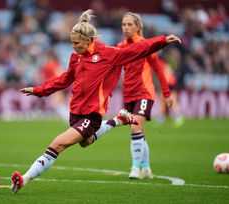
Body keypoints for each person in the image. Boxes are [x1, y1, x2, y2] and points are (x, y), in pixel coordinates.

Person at [10, 9, 181, 194]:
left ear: (88, 40)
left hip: (91, 115)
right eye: (72, 43)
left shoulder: (108, 54)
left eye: (77, 43)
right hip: (75, 112)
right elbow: (65, 80)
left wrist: (162, 40)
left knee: (57, 144)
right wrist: (39, 90)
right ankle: (117, 120)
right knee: (86, 142)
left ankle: (24, 179)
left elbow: (138, 50)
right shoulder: (75, 57)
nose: (74, 47)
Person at [81, 12, 178, 179]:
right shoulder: (120, 47)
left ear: (138, 27)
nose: (126, 27)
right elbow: (115, 72)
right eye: (123, 25)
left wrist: (167, 93)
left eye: (129, 25)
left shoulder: (145, 46)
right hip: (128, 95)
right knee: (139, 130)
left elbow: (158, 69)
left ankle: (135, 169)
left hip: (144, 93)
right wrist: (108, 94)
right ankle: (147, 168)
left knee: (135, 127)